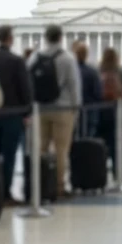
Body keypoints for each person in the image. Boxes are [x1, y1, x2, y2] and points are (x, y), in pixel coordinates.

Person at [27, 25, 81, 194]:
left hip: (40, 108)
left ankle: (40, 184)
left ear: (46, 37)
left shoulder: (35, 57)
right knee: (61, 149)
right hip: (63, 109)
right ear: (60, 37)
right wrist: (76, 108)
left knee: (41, 148)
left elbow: (29, 82)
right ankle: (58, 185)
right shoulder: (67, 58)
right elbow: (74, 86)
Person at [0, 25, 33, 204]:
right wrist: (28, 112)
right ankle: (6, 193)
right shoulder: (16, 61)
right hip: (13, 114)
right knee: (9, 155)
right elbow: (25, 89)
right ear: (10, 38)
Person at [98, 47, 122, 171]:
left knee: (102, 142)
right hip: (119, 111)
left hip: (102, 112)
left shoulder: (98, 70)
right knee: (117, 142)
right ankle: (117, 170)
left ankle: (100, 170)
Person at [74, 41, 102, 138]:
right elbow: (98, 93)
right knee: (89, 138)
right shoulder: (92, 72)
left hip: (74, 109)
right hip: (90, 108)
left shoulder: (72, 71)